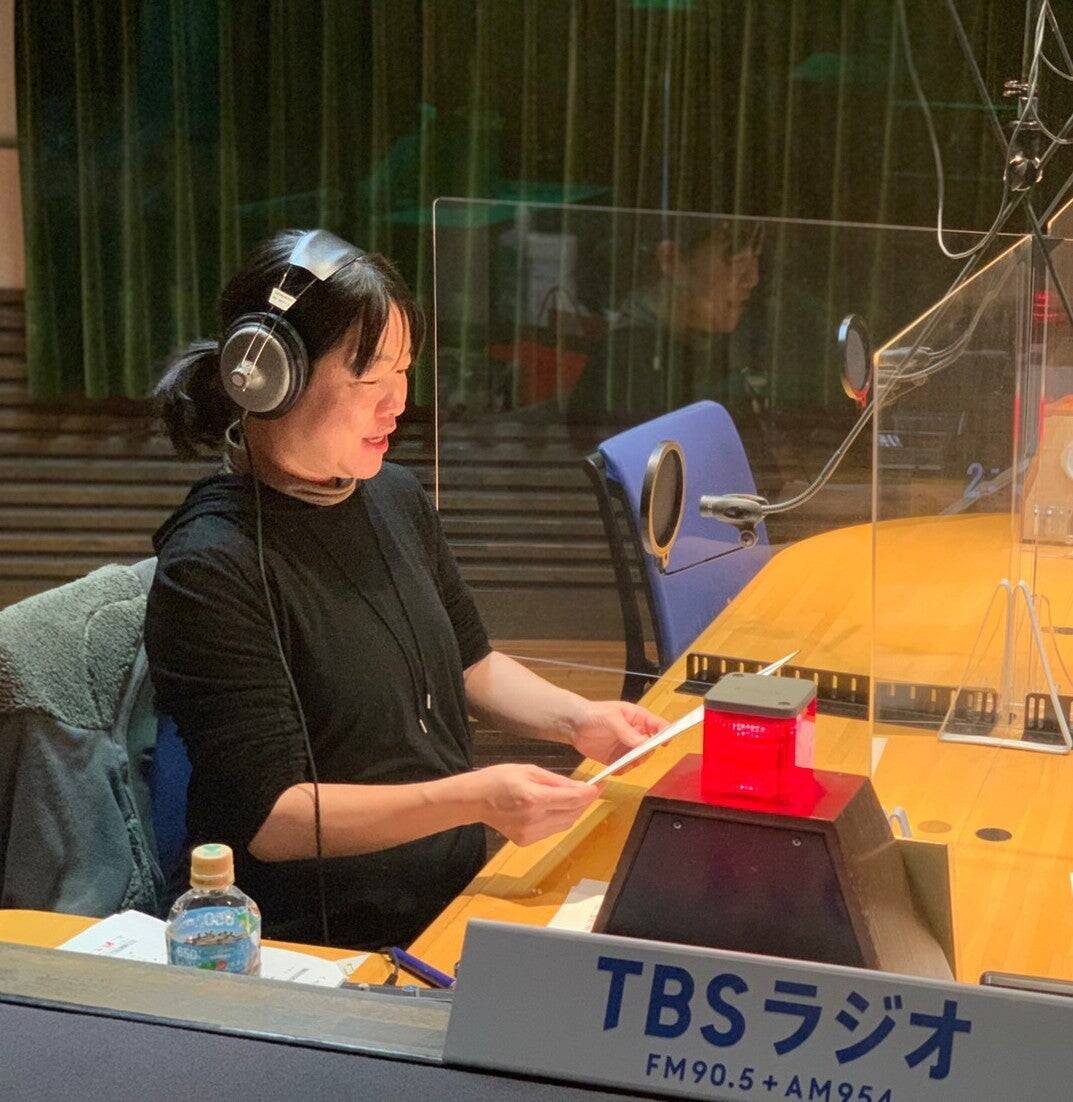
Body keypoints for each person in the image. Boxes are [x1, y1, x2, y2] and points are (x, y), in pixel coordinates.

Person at [145, 229, 665, 950]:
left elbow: (471, 662)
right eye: (369, 378)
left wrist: (579, 721)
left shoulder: (392, 494)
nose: (397, 403)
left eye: (405, 370)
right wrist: (476, 798)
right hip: (320, 942)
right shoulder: (210, 569)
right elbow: (274, 820)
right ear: (266, 378)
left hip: (449, 896)